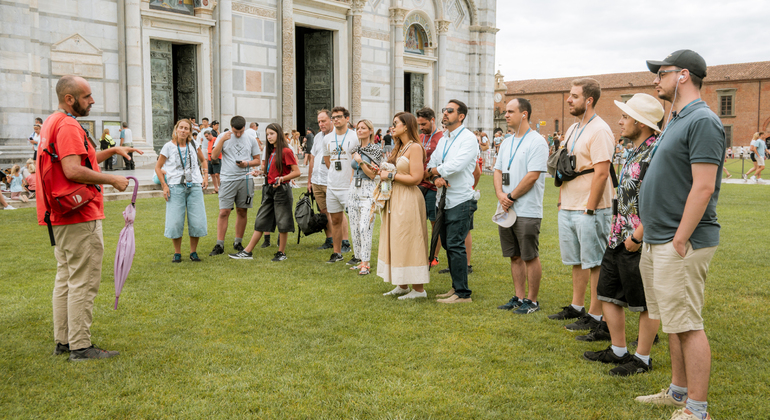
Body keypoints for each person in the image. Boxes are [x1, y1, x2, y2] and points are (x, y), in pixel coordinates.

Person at [634, 49, 725, 420]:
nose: (656, 79)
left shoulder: (702, 120)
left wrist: (681, 237)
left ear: (683, 75)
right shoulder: (677, 118)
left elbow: (703, 187)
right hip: (659, 238)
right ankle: (677, 392)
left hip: (679, 240)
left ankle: (697, 409)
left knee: (687, 324)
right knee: (672, 320)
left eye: (662, 73)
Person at [37, 74, 141, 361]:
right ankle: (81, 346)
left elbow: (83, 157)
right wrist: (111, 179)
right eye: (86, 97)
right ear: (69, 99)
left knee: (66, 277)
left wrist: (112, 150)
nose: (92, 101)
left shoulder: (52, 122)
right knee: (83, 279)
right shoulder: (69, 124)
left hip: (60, 215)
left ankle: (64, 341)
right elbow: (72, 169)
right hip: (79, 215)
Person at [580, 93, 664, 377]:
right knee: (607, 293)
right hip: (618, 235)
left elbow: (661, 200)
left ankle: (642, 358)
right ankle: (618, 350)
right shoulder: (632, 149)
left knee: (645, 301)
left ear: (642, 122)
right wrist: (616, 229)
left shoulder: (657, 152)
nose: (620, 120)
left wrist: (639, 235)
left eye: (626, 116)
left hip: (639, 240)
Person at [548, 78, 615, 331]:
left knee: (595, 261)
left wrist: (590, 207)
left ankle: (596, 314)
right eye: (569, 95)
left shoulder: (600, 130)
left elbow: (601, 172)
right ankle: (577, 306)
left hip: (591, 207)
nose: (568, 100)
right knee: (577, 260)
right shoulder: (574, 129)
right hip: (568, 204)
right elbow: (567, 165)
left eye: (574, 96)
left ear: (589, 100)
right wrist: (561, 198)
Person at [494, 98, 549, 315]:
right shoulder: (507, 141)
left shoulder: (537, 141)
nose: (506, 115)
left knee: (529, 255)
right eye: (505, 111)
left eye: (510, 111)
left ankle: (532, 301)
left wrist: (511, 196)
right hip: (506, 207)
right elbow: (497, 170)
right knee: (514, 255)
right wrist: (500, 195)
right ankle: (518, 296)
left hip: (527, 209)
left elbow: (533, 175)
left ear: (524, 114)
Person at [426, 100, 478, 304]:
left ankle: (463, 294)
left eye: (450, 111)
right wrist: (435, 177)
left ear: (461, 116)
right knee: (448, 243)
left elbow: (457, 165)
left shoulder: (468, 139)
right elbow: (432, 162)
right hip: (443, 198)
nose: (445, 114)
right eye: (444, 110)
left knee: (456, 244)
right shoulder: (444, 139)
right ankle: (456, 287)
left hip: (460, 198)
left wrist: (434, 171)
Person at [230, 123, 300, 262]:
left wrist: (282, 178)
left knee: (283, 222)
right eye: (267, 134)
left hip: (282, 190)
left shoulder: (286, 151)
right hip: (268, 189)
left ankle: (281, 252)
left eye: (272, 134)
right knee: (260, 220)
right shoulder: (270, 151)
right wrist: (261, 172)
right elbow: (270, 171)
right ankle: (247, 252)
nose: (269, 137)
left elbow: (297, 172)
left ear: (278, 134)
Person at [379, 112, 430, 299]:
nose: (392, 127)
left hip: (408, 198)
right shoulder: (399, 147)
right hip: (395, 197)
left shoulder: (415, 147)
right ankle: (401, 284)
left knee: (410, 239)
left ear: (406, 126)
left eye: (395, 124)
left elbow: (417, 178)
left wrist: (390, 175)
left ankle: (419, 289)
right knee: (397, 239)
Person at [155, 119, 209, 263]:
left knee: (197, 220)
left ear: (190, 131)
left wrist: (205, 176)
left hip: (194, 185)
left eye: (187, 128)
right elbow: (158, 167)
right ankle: (177, 252)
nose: (183, 130)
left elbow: (203, 160)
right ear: (176, 129)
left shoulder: (193, 144)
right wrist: (164, 186)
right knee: (175, 221)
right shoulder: (168, 147)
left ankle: (193, 252)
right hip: (175, 186)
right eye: (181, 128)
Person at [208, 116, 261, 256]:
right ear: (231, 126)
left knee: (242, 211)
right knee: (224, 212)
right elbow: (213, 156)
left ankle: (238, 242)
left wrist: (246, 164)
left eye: (241, 131)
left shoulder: (250, 138)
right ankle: (219, 244)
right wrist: (222, 140)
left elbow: (257, 160)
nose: (238, 134)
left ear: (245, 127)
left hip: (245, 179)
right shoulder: (222, 136)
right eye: (235, 131)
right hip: (227, 180)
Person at [347, 119, 382, 275]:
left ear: (370, 130)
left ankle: (366, 263)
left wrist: (360, 162)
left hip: (368, 188)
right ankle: (360, 259)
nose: (359, 130)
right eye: (357, 128)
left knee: (364, 227)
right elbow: (353, 171)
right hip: (354, 188)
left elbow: (373, 174)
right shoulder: (355, 149)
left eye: (363, 128)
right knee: (354, 227)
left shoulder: (375, 150)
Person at [323, 106, 357, 263]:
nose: (335, 119)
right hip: (332, 186)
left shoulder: (355, 136)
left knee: (355, 220)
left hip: (349, 186)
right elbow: (327, 160)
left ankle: (358, 255)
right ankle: (337, 253)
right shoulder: (327, 138)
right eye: (333, 117)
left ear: (347, 118)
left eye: (339, 116)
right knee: (335, 220)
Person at [416, 108, 444, 266]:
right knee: (418, 221)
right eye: (419, 124)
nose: (421, 127)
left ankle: (434, 255)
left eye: (424, 124)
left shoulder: (441, 138)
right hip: (419, 185)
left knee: (434, 222)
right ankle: (420, 253)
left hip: (433, 186)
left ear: (433, 120)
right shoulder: (420, 137)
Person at [307, 110, 335, 250]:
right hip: (317, 181)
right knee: (323, 212)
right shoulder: (318, 136)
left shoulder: (337, 136)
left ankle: (342, 241)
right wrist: (309, 180)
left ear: (331, 119)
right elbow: (312, 158)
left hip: (330, 181)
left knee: (336, 212)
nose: (321, 124)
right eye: (319, 121)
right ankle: (329, 239)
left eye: (323, 121)